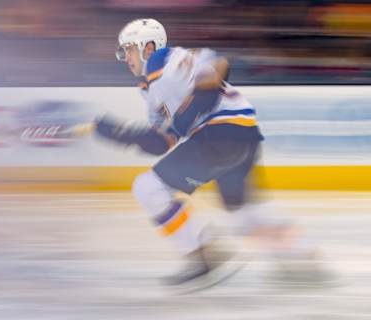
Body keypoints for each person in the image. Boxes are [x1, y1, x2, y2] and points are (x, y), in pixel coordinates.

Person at [92, 18, 330, 289]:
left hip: (219, 135)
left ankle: (203, 252)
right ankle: (304, 257)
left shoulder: (164, 60)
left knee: (148, 187)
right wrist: (122, 134)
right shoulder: (150, 88)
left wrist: (191, 110)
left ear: (149, 47)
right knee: (242, 215)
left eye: (129, 49)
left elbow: (218, 66)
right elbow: (164, 141)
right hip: (241, 135)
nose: (125, 58)